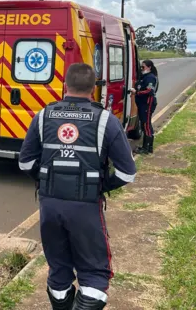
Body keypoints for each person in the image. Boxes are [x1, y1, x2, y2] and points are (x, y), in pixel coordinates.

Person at [18, 63, 138, 310]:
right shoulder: (106, 120)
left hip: (49, 205)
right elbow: (127, 173)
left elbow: (26, 162)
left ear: (64, 86)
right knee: (95, 271)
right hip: (86, 207)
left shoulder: (43, 116)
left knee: (58, 268)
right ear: (93, 89)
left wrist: (47, 182)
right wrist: (100, 185)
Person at [129, 60, 159, 155]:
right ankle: (147, 147)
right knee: (144, 124)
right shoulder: (144, 76)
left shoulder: (150, 78)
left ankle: (147, 148)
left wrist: (136, 92)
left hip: (147, 104)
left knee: (146, 125)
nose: (141, 69)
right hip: (142, 104)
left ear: (149, 67)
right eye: (141, 67)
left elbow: (149, 91)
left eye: (143, 67)